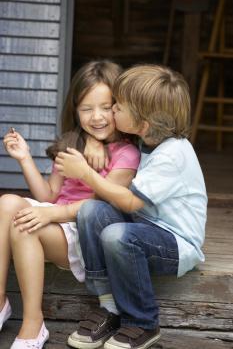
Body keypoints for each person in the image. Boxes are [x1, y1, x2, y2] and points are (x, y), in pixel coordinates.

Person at [55, 64, 208, 349]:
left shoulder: (173, 155)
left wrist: (86, 174)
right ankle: (109, 305)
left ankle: (143, 322)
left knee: (117, 235)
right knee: (90, 211)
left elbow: (128, 201)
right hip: (145, 226)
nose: (112, 111)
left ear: (143, 122)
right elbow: (105, 134)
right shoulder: (146, 137)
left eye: (118, 107)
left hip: (176, 244)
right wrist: (92, 140)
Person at [0, 60, 140, 349]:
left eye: (105, 107)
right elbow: (49, 195)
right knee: (7, 203)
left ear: (120, 107)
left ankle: (33, 323)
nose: (97, 117)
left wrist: (49, 214)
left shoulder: (126, 154)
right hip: (58, 218)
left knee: (24, 226)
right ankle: (0, 302)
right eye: (87, 109)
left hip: (84, 232)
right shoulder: (70, 144)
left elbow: (103, 203)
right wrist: (25, 158)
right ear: (75, 109)